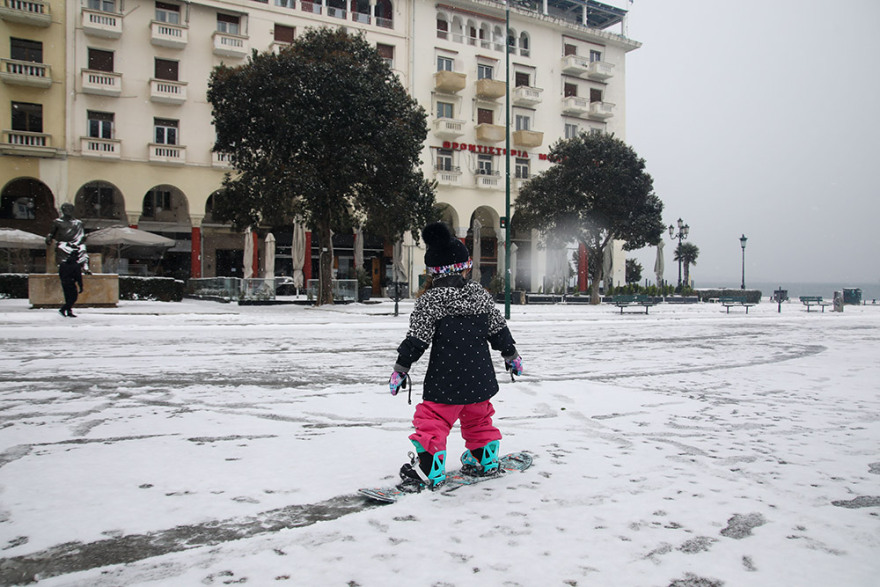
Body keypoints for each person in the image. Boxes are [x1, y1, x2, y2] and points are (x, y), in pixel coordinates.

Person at [388, 222, 524, 492]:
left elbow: (417, 339)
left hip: (446, 380)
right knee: (478, 419)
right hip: (480, 378)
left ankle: (429, 468)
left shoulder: (430, 300)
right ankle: (483, 457)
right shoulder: (480, 295)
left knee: (434, 420)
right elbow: (498, 330)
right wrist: (512, 355)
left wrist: (401, 368)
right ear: (464, 266)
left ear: (433, 272)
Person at [46, 202, 90, 273]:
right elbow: (52, 233)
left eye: (70, 209)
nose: (68, 211)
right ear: (63, 211)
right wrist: (49, 237)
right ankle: (63, 266)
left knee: (82, 249)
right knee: (61, 248)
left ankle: (85, 266)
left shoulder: (78, 223)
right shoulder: (57, 222)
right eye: (66, 209)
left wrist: (79, 241)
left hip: (76, 243)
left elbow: (81, 235)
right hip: (64, 243)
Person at [58, 252, 84, 318]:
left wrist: (63, 280)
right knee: (73, 298)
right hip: (71, 283)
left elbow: (60, 274)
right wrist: (81, 286)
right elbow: (78, 277)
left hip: (64, 283)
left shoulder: (63, 264)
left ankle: (69, 312)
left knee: (67, 297)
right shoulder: (76, 265)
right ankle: (63, 309)